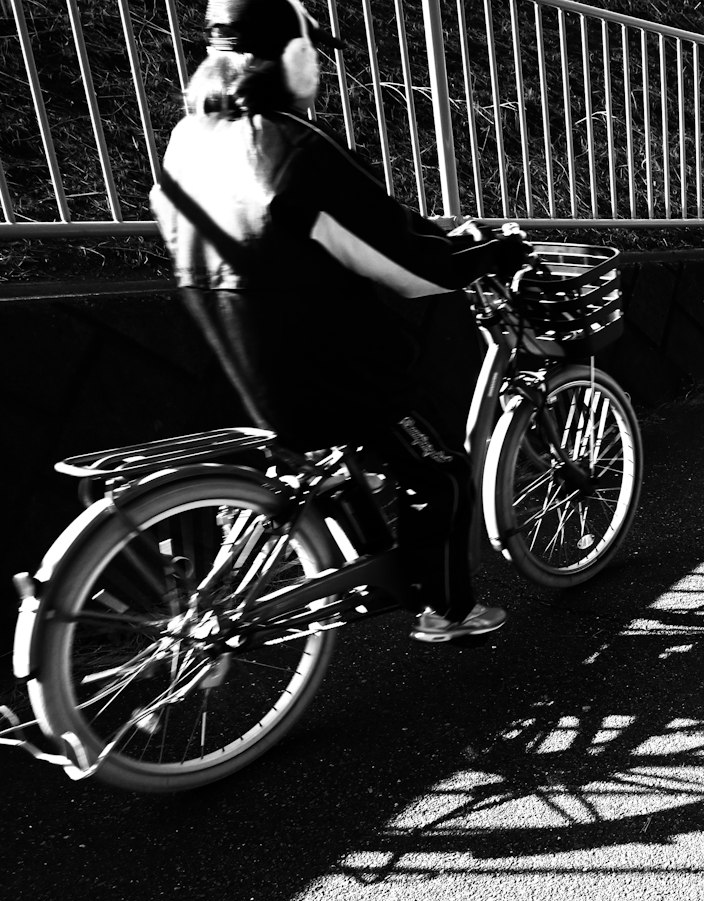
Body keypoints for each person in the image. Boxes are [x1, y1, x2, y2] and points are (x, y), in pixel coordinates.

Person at [150, 0, 532, 642]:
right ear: (295, 59)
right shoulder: (301, 148)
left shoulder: (190, 138)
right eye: (315, 55)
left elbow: (359, 228)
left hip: (241, 353)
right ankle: (448, 609)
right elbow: (416, 270)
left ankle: (368, 560)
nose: (321, 70)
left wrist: (433, 236)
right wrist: (496, 249)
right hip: (330, 366)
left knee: (356, 455)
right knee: (440, 473)